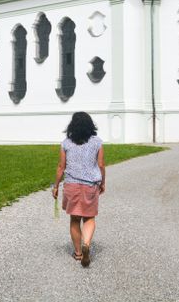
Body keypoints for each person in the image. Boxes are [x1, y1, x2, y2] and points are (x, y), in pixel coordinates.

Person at [52, 111, 105, 267]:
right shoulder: (97, 142)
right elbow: (101, 165)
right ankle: (86, 244)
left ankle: (78, 253)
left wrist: (55, 186)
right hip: (90, 185)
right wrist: (102, 183)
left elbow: (61, 167)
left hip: (71, 185)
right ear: (90, 125)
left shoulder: (66, 143)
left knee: (75, 219)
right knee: (89, 218)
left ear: (72, 126)